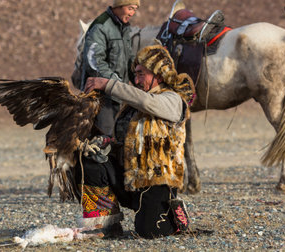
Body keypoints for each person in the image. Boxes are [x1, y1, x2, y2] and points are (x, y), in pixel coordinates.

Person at [76, 45, 195, 238]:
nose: (137, 80)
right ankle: (105, 223)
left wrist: (107, 84)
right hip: (129, 177)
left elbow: (148, 103)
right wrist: (108, 144)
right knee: (90, 162)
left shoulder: (173, 100)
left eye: (142, 74)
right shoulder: (132, 105)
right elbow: (128, 138)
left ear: (160, 74)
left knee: (149, 232)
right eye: (135, 74)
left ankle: (175, 215)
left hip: (155, 182)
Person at [71, 0, 141, 136]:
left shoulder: (124, 29)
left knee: (120, 138)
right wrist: (116, 84)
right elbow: (94, 62)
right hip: (102, 99)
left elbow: (129, 59)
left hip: (119, 96)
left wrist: (139, 79)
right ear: (120, 6)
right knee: (104, 140)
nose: (132, 13)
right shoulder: (100, 27)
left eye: (135, 10)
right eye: (130, 8)